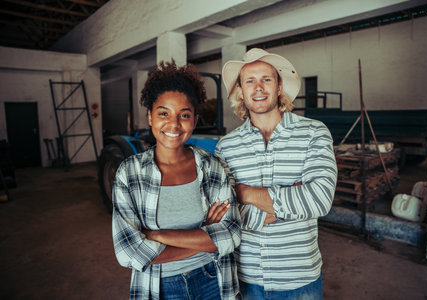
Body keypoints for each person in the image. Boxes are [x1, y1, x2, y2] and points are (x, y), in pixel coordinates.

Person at [215, 48, 337, 300]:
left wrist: (243, 192)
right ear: (240, 91)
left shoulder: (314, 132)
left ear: (279, 87)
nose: (258, 87)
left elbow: (319, 200)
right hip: (247, 278)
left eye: (266, 79)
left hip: (300, 279)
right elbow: (223, 215)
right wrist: (291, 201)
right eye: (250, 81)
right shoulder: (226, 146)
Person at [112, 61, 241, 300]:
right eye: (163, 113)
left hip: (214, 280)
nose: (174, 124)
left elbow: (231, 234)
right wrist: (204, 237)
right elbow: (128, 252)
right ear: (150, 117)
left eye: (184, 115)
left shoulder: (211, 167)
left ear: (194, 120)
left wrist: (157, 235)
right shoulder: (129, 174)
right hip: (160, 287)